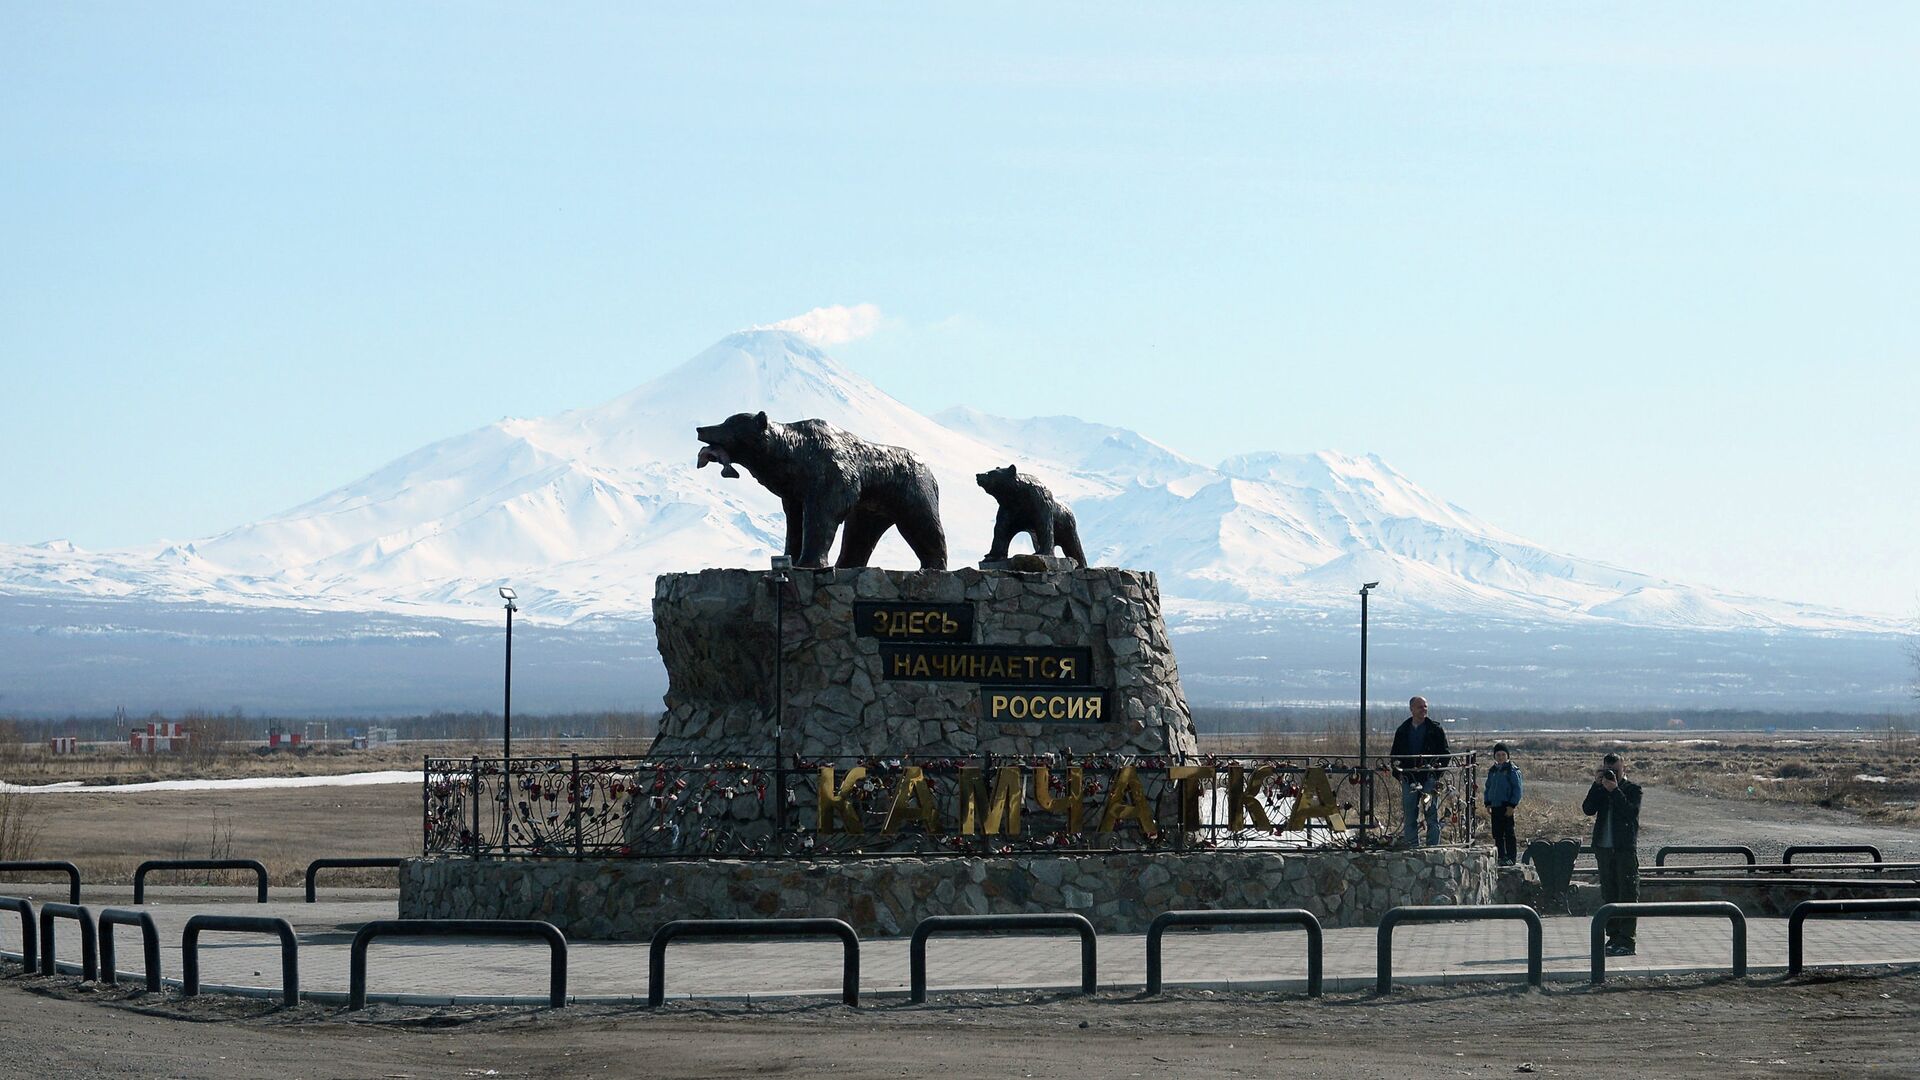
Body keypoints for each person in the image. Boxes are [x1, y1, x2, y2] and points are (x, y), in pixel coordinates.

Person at [1583, 751, 1643, 955]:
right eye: (1608, 771)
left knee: (1627, 893)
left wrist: (1615, 790)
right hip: (1604, 849)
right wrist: (1596, 784)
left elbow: (1630, 812)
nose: (1612, 775)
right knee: (1609, 894)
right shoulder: (1601, 789)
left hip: (1624, 850)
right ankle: (1614, 937)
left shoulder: (1633, 789)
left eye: (1615, 771)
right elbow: (1588, 809)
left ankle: (1627, 940)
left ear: (1623, 769)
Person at [1390, 695, 1449, 847]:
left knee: (1431, 814)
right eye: (1420, 707)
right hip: (1409, 778)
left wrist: (1436, 774)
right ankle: (1412, 846)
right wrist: (1400, 775)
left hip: (1429, 778)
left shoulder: (1435, 729)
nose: (1424, 710)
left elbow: (1445, 754)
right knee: (1410, 815)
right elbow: (1394, 756)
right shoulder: (1403, 730)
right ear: (1411, 709)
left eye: (1425, 706)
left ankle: (1432, 848)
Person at [1483, 742, 1523, 866]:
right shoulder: (1493, 771)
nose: (1500, 757)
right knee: (1497, 833)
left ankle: (1511, 857)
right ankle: (1500, 856)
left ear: (1507, 756)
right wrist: (1488, 803)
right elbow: (1488, 787)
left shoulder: (1512, 770)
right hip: (1495, 806)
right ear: (1495, 756)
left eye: (1503, 754)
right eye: (1498, 755)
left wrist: (1512, 805)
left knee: (1508, 833)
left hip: (1506, 806)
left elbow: (1517, 789)